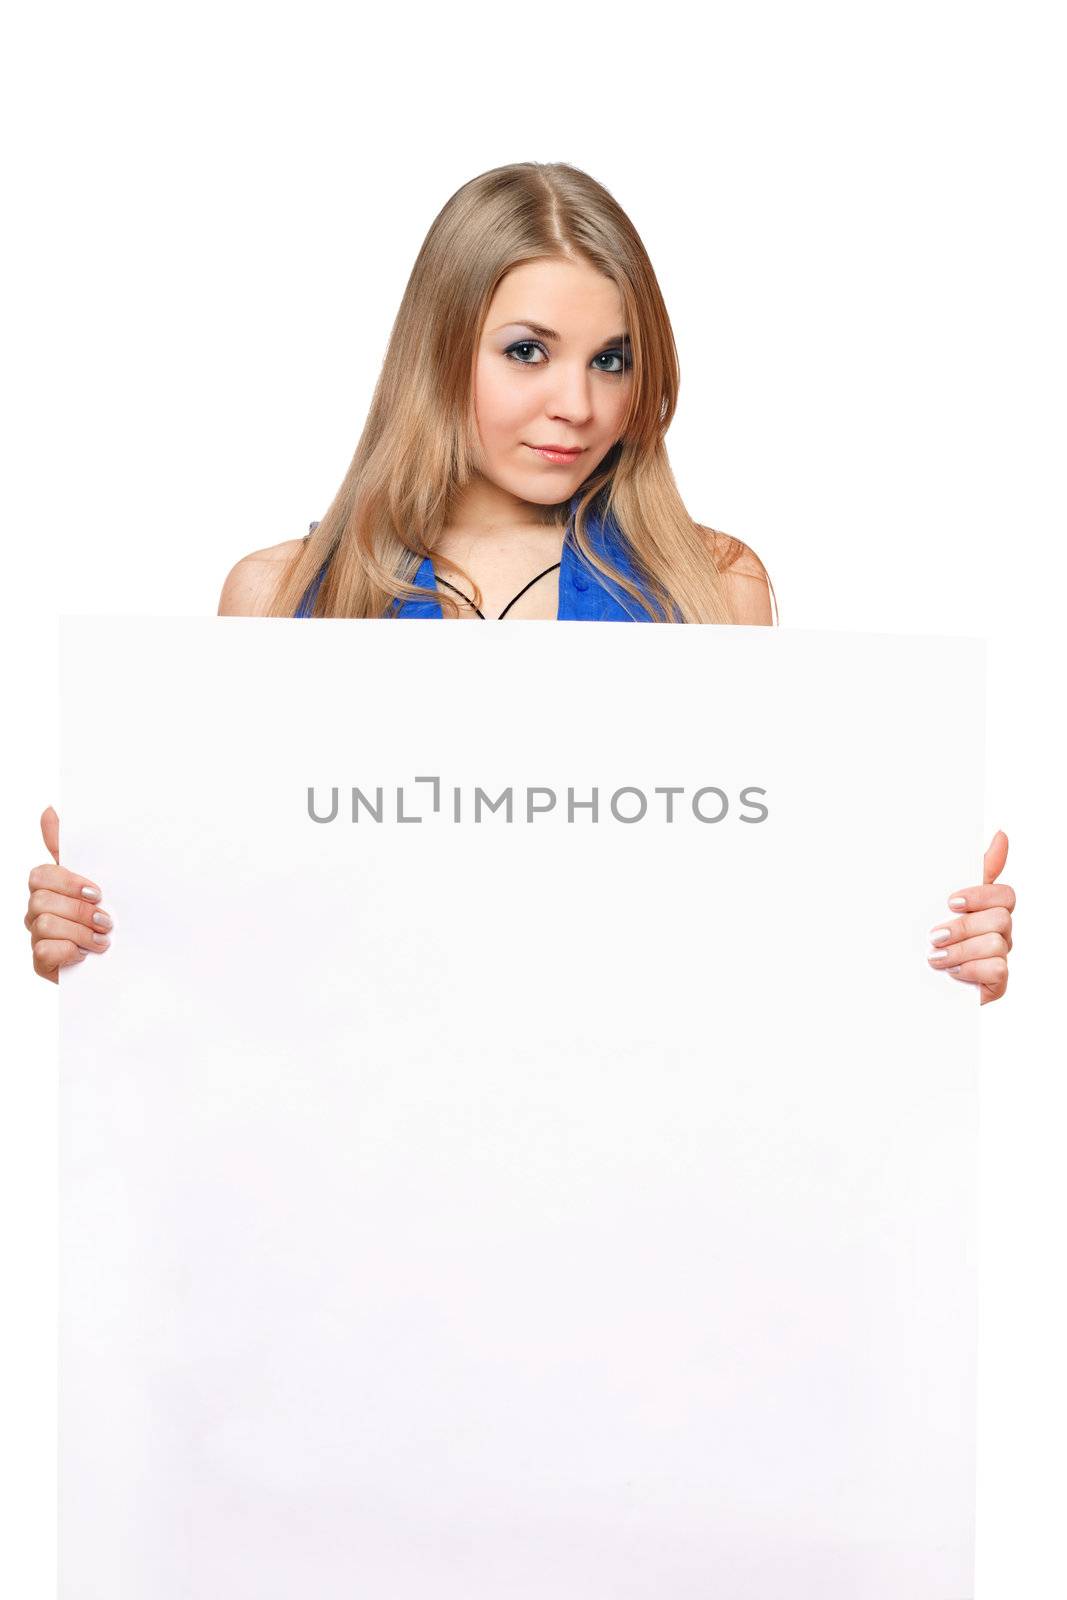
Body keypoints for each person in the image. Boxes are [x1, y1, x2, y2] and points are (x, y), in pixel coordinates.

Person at [25, 161, 1014, 1000]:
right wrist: (103, 928)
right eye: (526, 352)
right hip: (343, 1161)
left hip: (630, 1150)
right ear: (438, 350)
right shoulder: (284, 596)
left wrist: (923, 940)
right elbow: (231, 937)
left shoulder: (711, 589)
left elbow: (760, 922)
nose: (576, 405)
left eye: (612, 360)